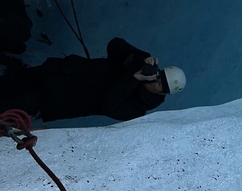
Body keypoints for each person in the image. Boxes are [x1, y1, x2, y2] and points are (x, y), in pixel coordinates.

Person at [0, 37, 186, 122]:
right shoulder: (136, 64)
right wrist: (139, 57)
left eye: (160, 83)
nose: (154, 80)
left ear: (163, 93)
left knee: (7, 106)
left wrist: (133, 78)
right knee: (7, 83)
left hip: (52, 99)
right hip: (53, 72)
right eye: (158, 75)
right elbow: (115, 45)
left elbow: (109, 105)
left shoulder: (137, 110)